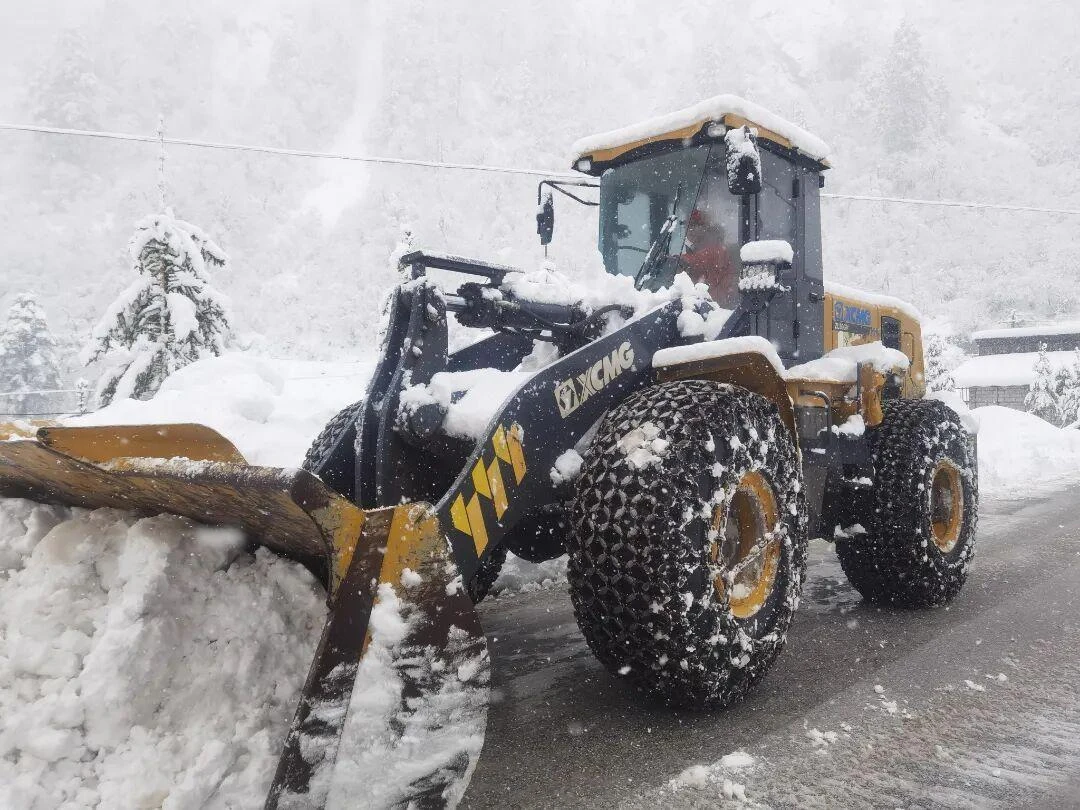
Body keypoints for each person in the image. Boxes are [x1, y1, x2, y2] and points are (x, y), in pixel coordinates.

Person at [679, 208, 740, 307]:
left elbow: (698, 260)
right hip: (704, 305)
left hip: (720, 308)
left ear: (705, 228)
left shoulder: (716, 248)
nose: (689, 229)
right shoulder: (695, 248)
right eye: (687, 226)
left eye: (694, 225)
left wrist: (675, 260)